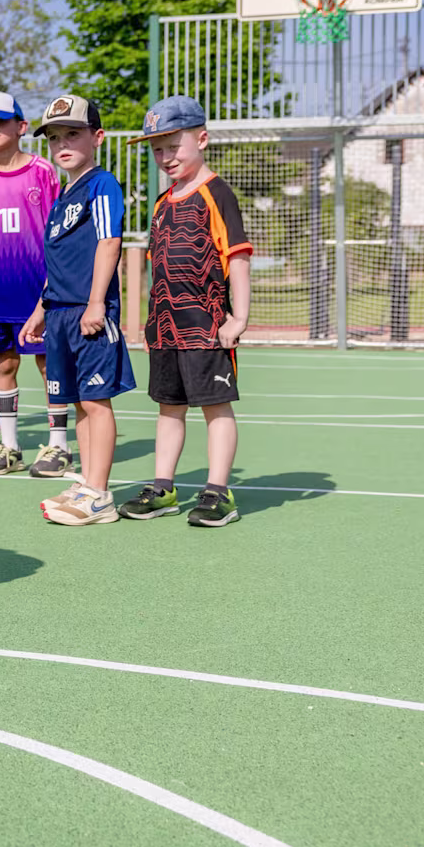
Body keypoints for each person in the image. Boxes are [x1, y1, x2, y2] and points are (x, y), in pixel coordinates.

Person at [116, 96, 252, 527]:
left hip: (208, 326)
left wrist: (239, 318)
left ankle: (218, 492)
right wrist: (149, 319)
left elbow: (239, 257)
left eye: (174, 145)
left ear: (202, 139)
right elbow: (157, 267)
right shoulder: (161, 202)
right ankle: (163, 486)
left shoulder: (217, 193)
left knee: (216, 407)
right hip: (166, 328)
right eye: (157, 149)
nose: (165, 156)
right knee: (168, 407)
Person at [18, 95, 136, 525]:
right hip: (61, 314)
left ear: (98, 137)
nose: (62, 143)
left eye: (73, 133)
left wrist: (96, 303)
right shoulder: (61, 196)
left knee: (96, 400)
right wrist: (40, 309)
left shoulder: (102, 185)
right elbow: (59, 262)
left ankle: (100, 496)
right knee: (79, 403)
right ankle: (88, 482)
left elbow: (109, 242)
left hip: (89, 314)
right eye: (54, 138)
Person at [0, 90, 70, 477]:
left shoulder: (43, 172)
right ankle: (9, 446)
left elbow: (56, 234)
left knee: (47, 364)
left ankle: (59, 446)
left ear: (21, 127)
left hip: (37, 293)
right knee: (3, 366)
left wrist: (50, 288)